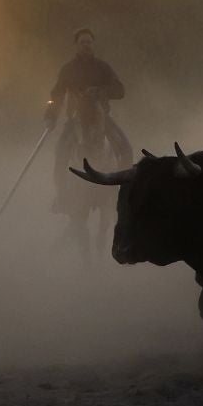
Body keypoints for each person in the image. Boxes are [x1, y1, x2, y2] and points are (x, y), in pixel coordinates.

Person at [45, 28, 132, 259]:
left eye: (89, 42)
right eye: (83, 42)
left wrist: (101, 91)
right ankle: (63, 196)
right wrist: (51, 115)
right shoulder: (68, 70)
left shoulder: (102, 68)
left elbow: (120, 90)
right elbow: (56, 95)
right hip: (75, 121)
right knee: (60, 154)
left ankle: (123, 193)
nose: (86, 46)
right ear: (76, 45)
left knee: (125, 148)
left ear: (93, 45)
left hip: (102, 117)